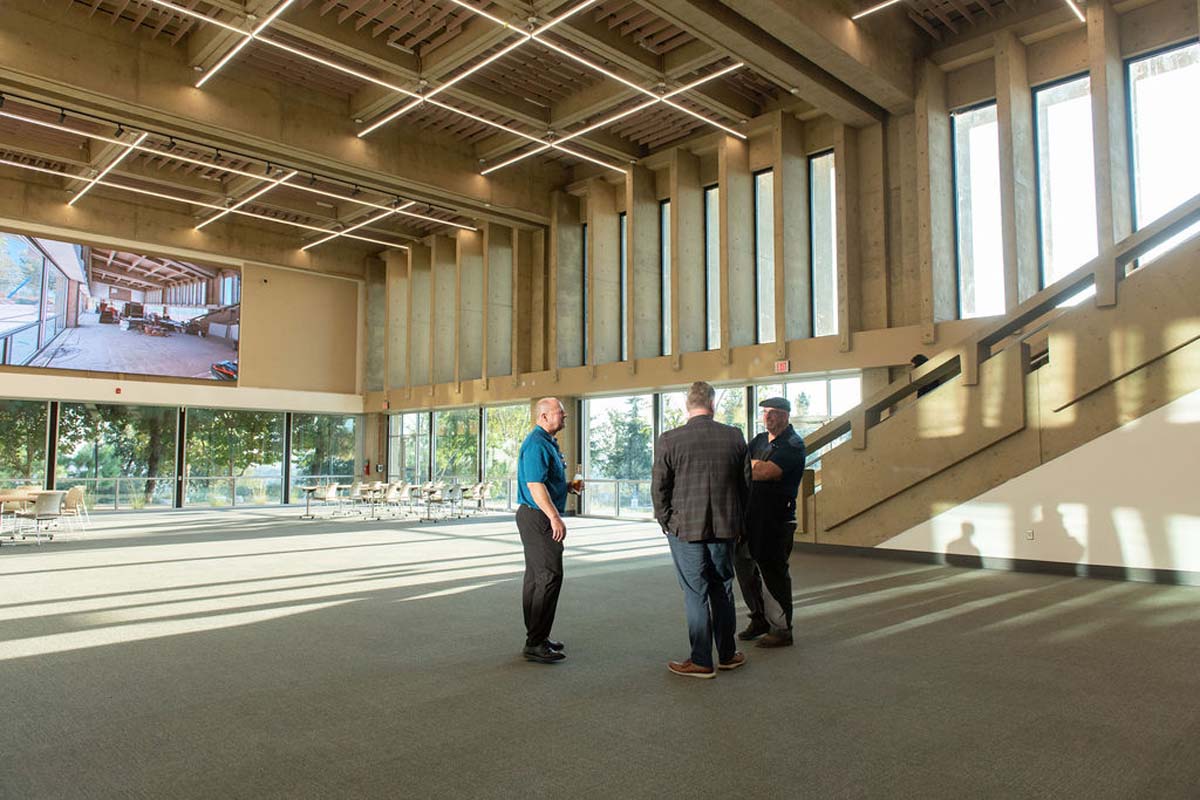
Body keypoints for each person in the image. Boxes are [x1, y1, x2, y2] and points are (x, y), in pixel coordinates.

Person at [652, 381, 748, 679]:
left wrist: (667, 521)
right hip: (725, 527)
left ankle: (701, 660)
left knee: (696, 593)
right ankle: (728, 654)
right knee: (723, 588)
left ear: (686, 405)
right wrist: (739, 522)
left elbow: (659, 489)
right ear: (713, 404)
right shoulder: (734, 437)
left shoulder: (670, 439)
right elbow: (746, 486)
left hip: (685, 530)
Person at [734, 397, 807, 648]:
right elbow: (742, 463)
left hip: (776, 522)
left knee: (772, 573)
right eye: (765, 412)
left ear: (786, 416)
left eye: (774, 413)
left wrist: (749, 466)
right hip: (749, 520)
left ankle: (782, 629)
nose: (768, 417)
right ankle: (759, 619)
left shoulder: (793, 444)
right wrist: (750, 465)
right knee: (745, 571)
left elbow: (765, 472)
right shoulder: (759, 440)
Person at [515, 397, 573, 664]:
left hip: (537, 515)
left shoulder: (547, 442)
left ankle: (537, 636)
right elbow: (535, 485)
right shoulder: (537, 443)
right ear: (544, 416)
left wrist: (568, 486)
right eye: (560, 413)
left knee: (537, 578)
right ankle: (535, 642)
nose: (565, 416)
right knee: (549, 576)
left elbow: (547, 480)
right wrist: (555, 517)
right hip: (538, 517)